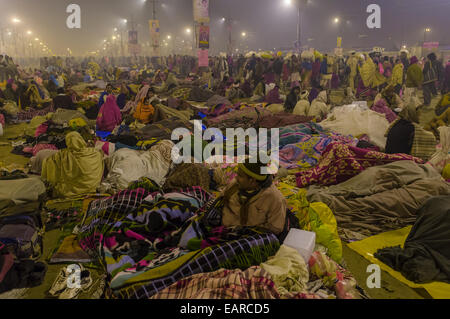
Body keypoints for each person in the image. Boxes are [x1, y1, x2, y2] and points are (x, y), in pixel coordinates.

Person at [220, 156, 287, 235]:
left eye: (240, 176)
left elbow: (275, 229)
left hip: (251, 239)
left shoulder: (275, 199)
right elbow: (220, 201)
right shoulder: (235, 185)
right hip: (224, 232)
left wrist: (244, 231)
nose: (236, 178)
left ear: (252, 181)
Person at [41, 131, 104, 198]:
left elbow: (48, 162)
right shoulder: (94, 154)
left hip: (68, 192)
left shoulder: (62, 156)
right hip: (91, 189)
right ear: (81, 139)